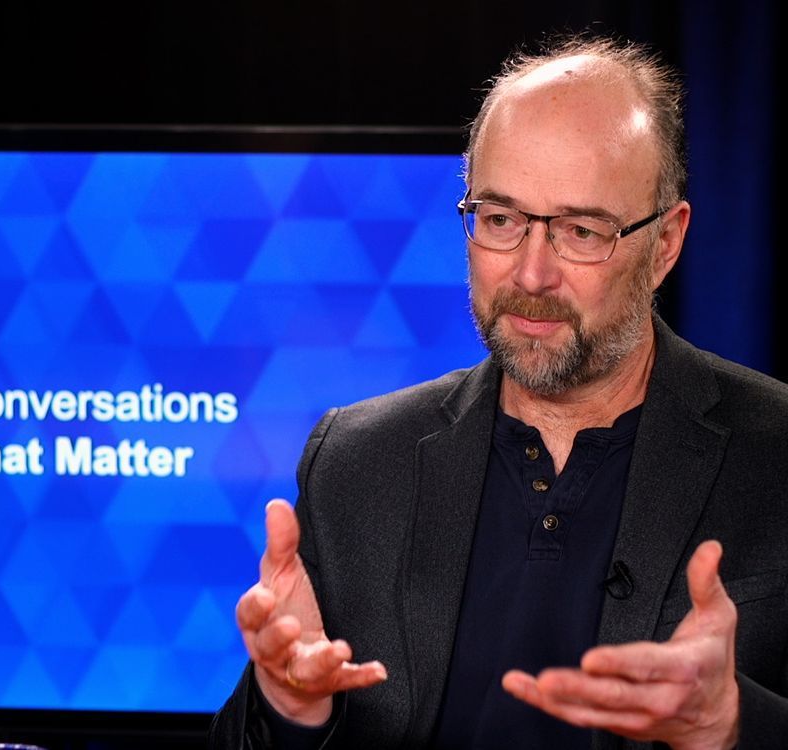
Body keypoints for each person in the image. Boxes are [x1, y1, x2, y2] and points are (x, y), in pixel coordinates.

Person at [208, 33, 788, 749]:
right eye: (502, 220)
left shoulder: (776, 456)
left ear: (666, 243)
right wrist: (290, 707)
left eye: (581, 230)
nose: (531, 275)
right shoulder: (357, 463)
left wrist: (731, 724)